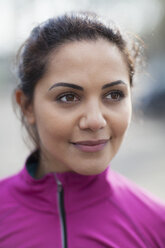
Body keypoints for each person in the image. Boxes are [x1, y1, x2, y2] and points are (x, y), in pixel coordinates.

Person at [0, 11, 165, 248]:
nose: (95, 121)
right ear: (27, 106)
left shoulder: (157, 226)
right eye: (68, 97)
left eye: (113, 95)